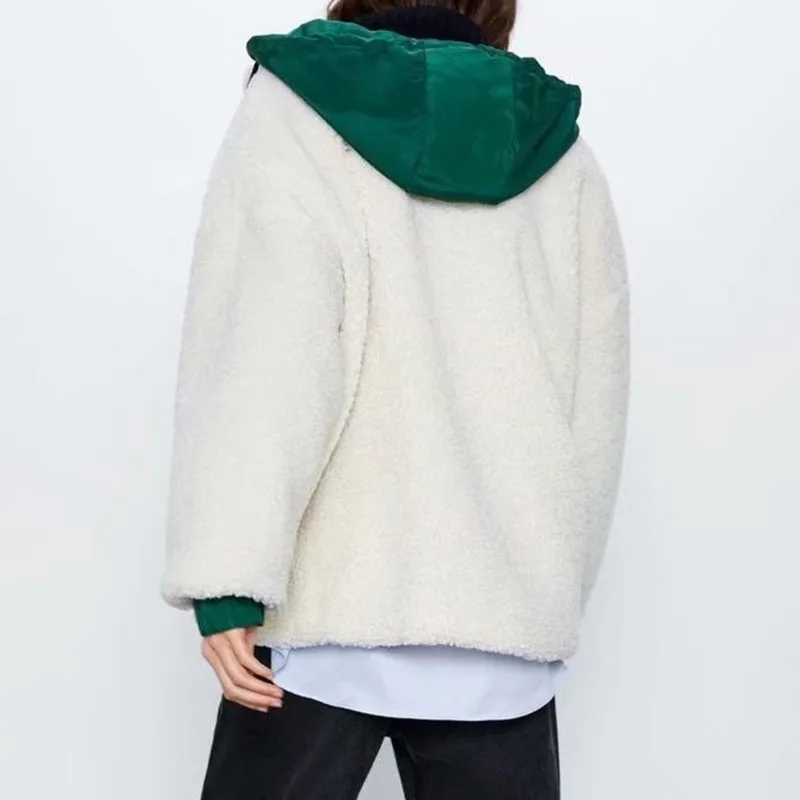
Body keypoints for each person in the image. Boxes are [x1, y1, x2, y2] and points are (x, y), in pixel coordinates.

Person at [161, 1, 631, 797]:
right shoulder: (559, 150)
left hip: (323, 624)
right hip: (502, 640)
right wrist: (546, 585)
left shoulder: (296, 114)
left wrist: (228, 579)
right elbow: (596, 396)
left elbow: (269, 349)